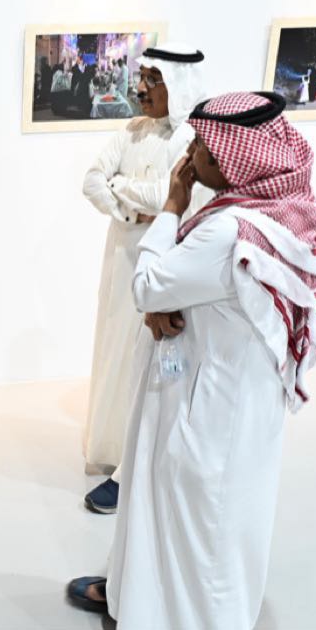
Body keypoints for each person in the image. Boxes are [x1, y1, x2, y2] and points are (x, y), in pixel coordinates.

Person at [68, 91, 316, 630]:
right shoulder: (277, 209)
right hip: (232, 396)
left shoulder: (227, 230)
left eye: (204, 148)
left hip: (207, 403)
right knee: (201, 515)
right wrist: (164, 298)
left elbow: (147, 285)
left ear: (235, 159)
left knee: (196, 520)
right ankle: (132, 599)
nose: (191, 157)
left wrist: (170, 206)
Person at [80, 43, 207, 514]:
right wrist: (132, 211)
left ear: (178, 85)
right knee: (114, 354)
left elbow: (168, 196)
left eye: (153, 80)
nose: (141, 89)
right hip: (121, 259)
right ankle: (113, 449)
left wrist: (123, 189)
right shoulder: (132, 130)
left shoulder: (191, 137)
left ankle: (136, 466)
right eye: (143, 78)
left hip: (160, 264)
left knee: (150, 365)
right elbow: (92, 180)